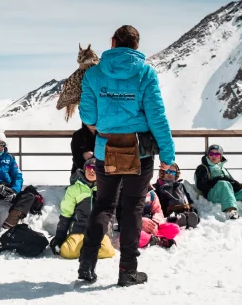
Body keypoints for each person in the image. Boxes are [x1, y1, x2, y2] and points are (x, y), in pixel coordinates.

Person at [76, 25, 176, 286]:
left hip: (105, 150)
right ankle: (127, 271)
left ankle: (86, 264)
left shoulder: (94, 74)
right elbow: (157, 118)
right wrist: (167, 154)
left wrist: (104, 125)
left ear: (112, 42)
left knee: (103, 205)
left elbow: (88, 116)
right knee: (132, 207)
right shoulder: (145, 73)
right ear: (136, 46)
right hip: (139, 151)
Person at [50, 158, 115, 259]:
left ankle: (85, 249)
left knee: (108, 252)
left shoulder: (105, 190)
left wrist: (107, 234)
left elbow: (110, 214)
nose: (91, 170)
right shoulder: (74, 189)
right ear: (84, 170)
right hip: (79, 230)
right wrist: (59, 238)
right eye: (88, 167)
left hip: (98, 232)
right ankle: (77, 244)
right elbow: (66, 215)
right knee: (67, 252)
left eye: (94, 168)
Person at [194, 144, 242, 220]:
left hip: (227, 194)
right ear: (208, 155)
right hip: (213, 194)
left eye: (217, 154)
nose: (214, 156)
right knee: (223, 183)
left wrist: (235, 184)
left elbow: (231, 184)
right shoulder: (203, 167)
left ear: (220, 157)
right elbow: (200, 185)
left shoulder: (223, 169)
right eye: (211, 154)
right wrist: (214, 181)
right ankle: (230, 210)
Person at [152, 162, 199, 229]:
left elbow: (188, 199)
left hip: (183, 208)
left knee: (188, 215)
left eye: (173, 172)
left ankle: (187, 219)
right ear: (163, 172)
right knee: (173, 216)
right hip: (168, 212)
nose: (170, 174)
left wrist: (193, 209)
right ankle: (177, 219)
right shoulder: (158, 186)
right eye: (168, 171)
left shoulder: (180, 186)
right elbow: (155, 203)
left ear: (176, 174)